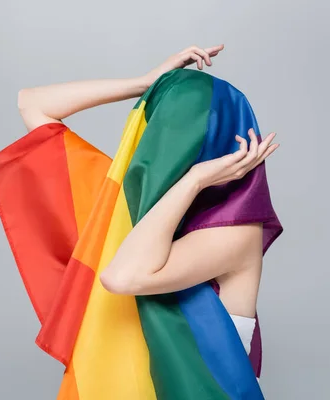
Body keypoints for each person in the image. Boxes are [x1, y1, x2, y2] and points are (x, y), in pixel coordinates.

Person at [16, 44, 279, 359]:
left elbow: (122, 277)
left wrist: (195, 180)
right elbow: (31, 103)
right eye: (158, 126)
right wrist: (146, 83)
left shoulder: (235, 234)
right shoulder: (121, 210)